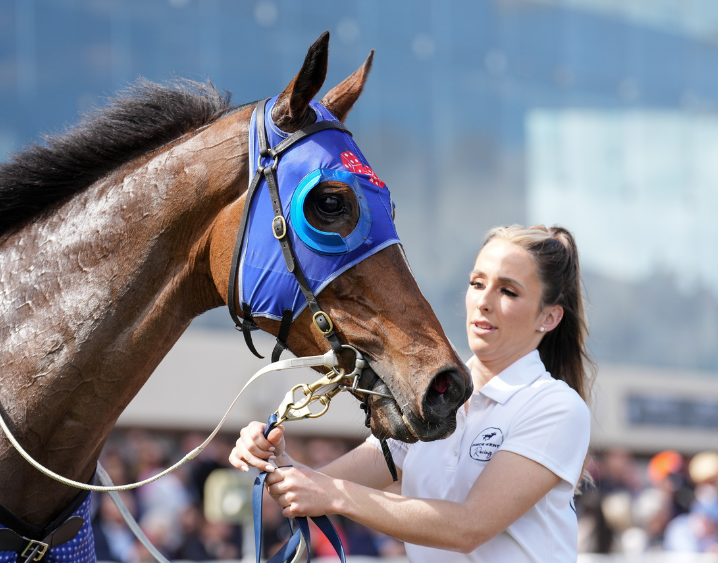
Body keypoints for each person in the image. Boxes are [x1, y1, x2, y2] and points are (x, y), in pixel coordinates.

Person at [229, 225, 594, 562]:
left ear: (549, 318)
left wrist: (333, 493)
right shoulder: (430, 396)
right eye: (478, 283)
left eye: (508, 291)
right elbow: (318, 489)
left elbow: (470, 527)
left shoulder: (555, 406)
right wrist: (274, 459)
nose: (483, 302)